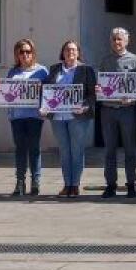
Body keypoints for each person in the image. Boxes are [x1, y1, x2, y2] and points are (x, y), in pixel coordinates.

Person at [43, 40, 96, 198]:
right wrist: (44, 106)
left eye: (73, 50)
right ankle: (67, 184)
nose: (70, 52)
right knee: (64, 151)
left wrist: (85, 106)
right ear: (63, 52)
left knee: (76, 150)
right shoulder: (54, 69)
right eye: (67, 49)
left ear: (78, 52)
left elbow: (93, 94)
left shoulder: (86, 70)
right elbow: (47, 90)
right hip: (57, 117)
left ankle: (75, 185)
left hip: (78, 116)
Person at [97, 27, 136, 198]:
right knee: (109, 150)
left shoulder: (135, 60)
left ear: (127, 40)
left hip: (127, 110)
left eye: (120, 39)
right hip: (108, 110)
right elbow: (101, 84)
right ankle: (110, 184)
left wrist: (134, 98)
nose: (117, 42)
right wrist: (98, 89)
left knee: (130, 149)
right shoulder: (105, 61)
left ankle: (131, 183)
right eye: (114, 39)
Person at [6, 39, 47, 197]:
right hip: (17, 117)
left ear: (33, 53)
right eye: (21, 52)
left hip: (35, 116)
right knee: (20, 149)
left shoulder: (42, 71)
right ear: (17, 54)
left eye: (28, 51)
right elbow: (8, 94)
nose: (24, 55)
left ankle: (35, 182)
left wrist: (45, 108)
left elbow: (48, 93)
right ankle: (20, 182)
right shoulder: (13, 72)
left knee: (34, 149)